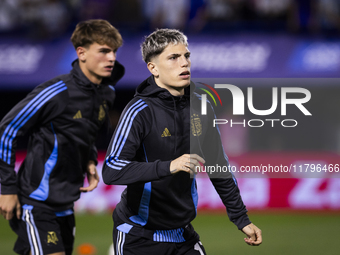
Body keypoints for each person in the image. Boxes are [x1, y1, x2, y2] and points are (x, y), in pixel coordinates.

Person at [102, 28, 262, 255]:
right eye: (173, 57)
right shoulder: (139, 111)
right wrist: (170, 166)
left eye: (186, 56)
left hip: (183, 236)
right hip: (138, 238)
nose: (184, 63)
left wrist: (241, 218)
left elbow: (218, 165)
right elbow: (111, 169)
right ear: (153, 68)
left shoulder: (201, 106)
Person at [0, 19, 124, 255]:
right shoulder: (55, 92)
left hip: (66, 203)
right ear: (82, 53)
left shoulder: (107, 94)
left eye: (114, 52)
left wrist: (89, 161)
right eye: (104, 51)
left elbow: (84, 133)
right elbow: (6, 130)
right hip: (35, 202)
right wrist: (7, 188)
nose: (111, 58)